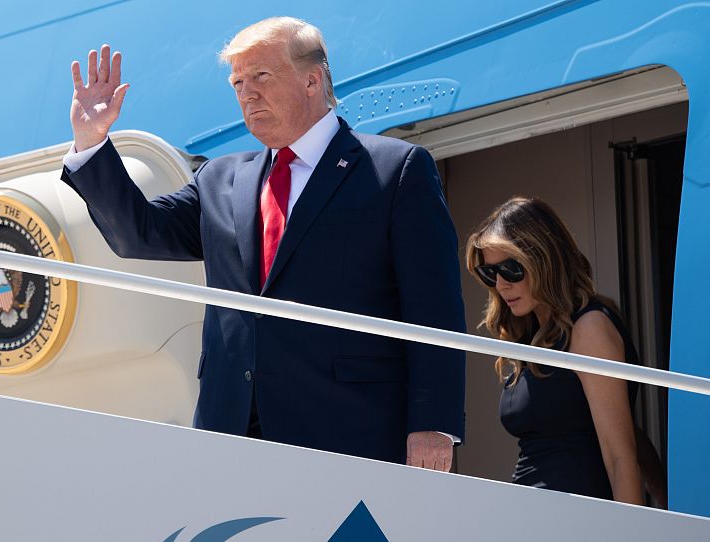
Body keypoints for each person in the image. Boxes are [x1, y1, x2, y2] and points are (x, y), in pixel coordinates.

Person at [60, 17, 466, 469]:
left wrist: (434, 423)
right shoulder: (219, 178)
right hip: (232, 427)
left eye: (261, 77)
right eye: (237, 82)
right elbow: (138, 232)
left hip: (351, 428)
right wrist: (92, 142)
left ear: (312, 79)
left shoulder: (395, 169)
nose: (246, 93)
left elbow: (435, 308)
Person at [465, 196, 643, 503]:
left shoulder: (589, 328)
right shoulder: (532, 337)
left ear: (544, 258)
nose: (501, 285)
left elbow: (620, 455)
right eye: (490, 274)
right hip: (529, 514)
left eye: (511, 269)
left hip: (576, 518)